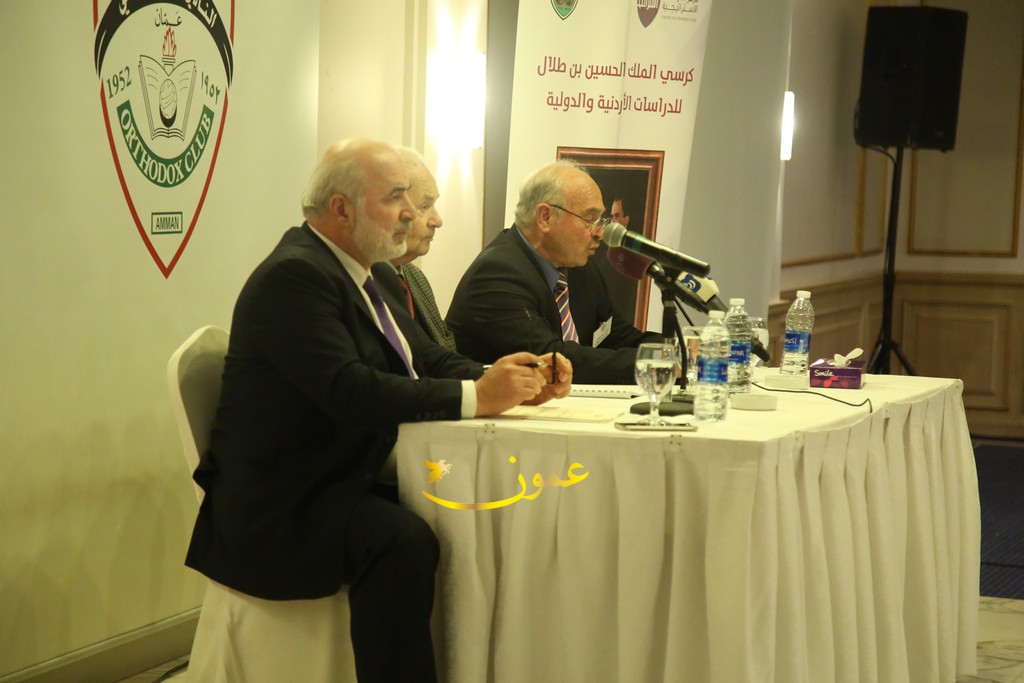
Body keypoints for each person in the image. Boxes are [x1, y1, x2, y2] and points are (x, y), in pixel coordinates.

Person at [184, 138, 571, 683]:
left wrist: (514, 378)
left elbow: (429, 359)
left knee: (482, 510)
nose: (411, 212)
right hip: (289, 498)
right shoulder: (293, 277)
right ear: (341, 208)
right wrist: (478, 397)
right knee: (404, 543)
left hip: (348, 470)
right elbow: (352, 392)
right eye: (395, 198)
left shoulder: (375, 273)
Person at [446, 159, 664, 384]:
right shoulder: (496, 274)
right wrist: (653, 365)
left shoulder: (579, 268)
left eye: (602, 220)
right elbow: (552, 361)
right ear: (545, 217)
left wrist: (673, 352)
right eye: (590, 219)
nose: (600, 233)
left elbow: (615, 335)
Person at [371, 147, 458, 352]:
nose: (438, 221)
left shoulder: (417, 278)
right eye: (425, 206)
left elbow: (442, 355)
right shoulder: (360, 281)